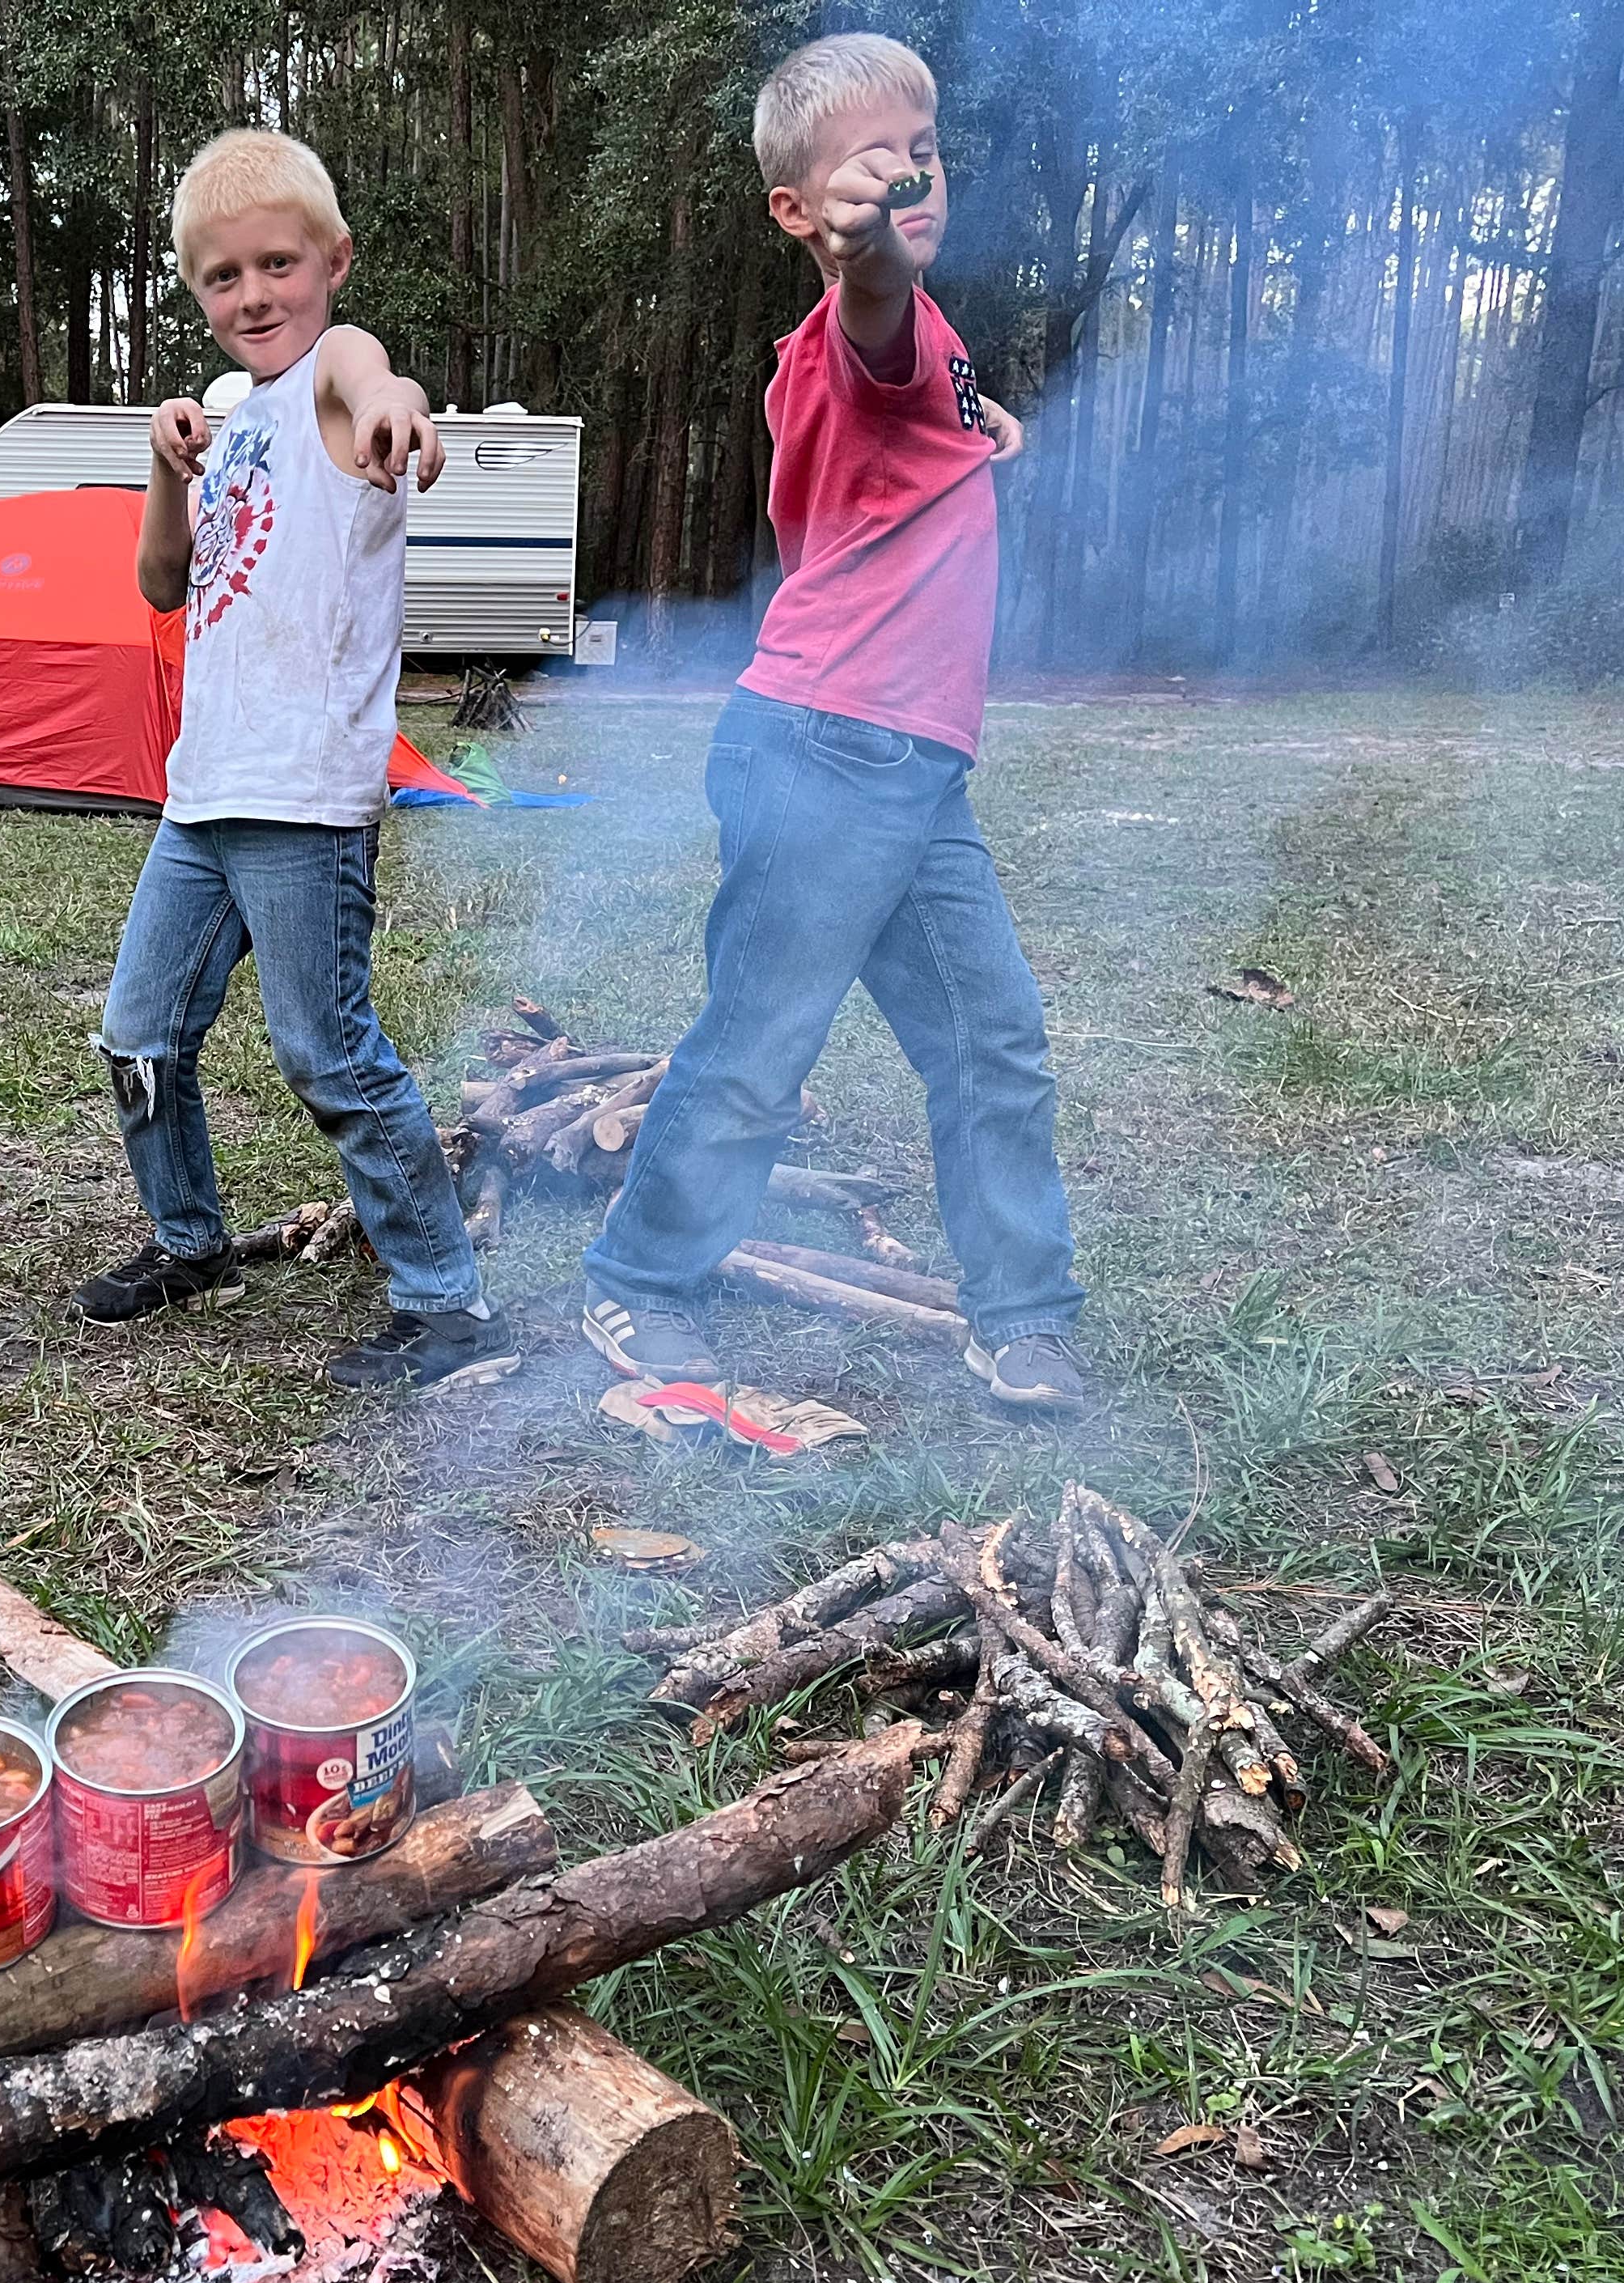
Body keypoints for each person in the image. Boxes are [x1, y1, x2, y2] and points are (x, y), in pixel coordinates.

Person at [577, 32, 1088, 1416]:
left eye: (922, 150)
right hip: (822, 749)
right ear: (798, 212)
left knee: (995, 1046)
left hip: (908, 768)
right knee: (758, 1049)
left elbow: (940, 405)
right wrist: (877, 255)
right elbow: (880, 310)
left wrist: (1000, 430)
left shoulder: (930, 353)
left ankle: (1021, 1319)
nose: (907, 174)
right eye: (868, 160)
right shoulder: (871, 320)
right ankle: (640, 1285)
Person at [70, 129, 519, 1394]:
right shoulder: (231, 419)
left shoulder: (333, 379)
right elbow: (164, 582)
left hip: (306, 797)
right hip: (202, 791)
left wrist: (391, 402)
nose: (252, 294)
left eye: (279, 263)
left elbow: (368, 377)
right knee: (141, 1031)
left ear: (334, 261)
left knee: (330, 1056)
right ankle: (190, 1242)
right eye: (222, 277)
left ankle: (449, 1308)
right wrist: (169, 469)